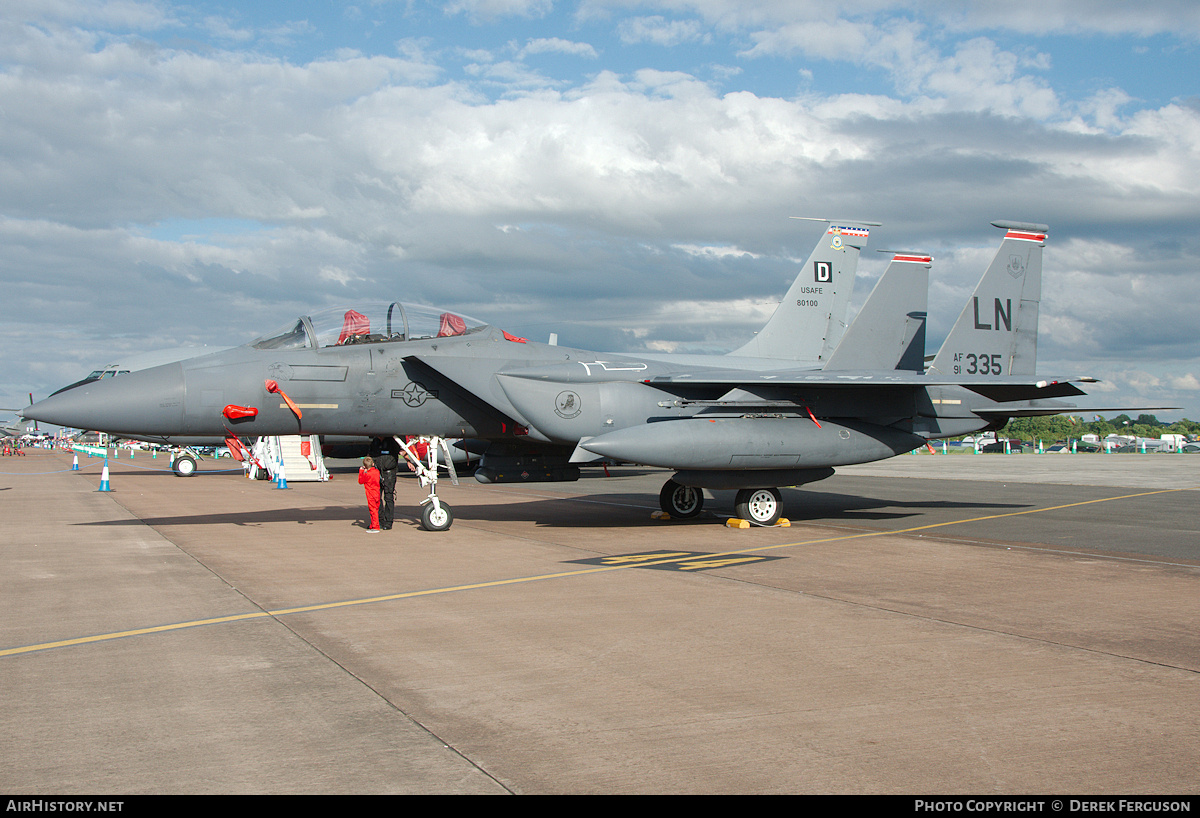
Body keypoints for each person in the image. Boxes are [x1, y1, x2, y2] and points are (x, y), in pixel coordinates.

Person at [368, 436, 400, 530]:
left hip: (389, 473)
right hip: (377, 472)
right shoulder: (375, 442)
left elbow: (401, 451)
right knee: (377, 498)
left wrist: (408, 461)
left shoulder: (391, 442)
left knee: (388, 497)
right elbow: (370, 455)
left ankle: (388, 522)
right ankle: (378, 521)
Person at [358, 456, 381, 533]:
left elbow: (360, 481)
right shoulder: (377, 472)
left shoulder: (367, 474)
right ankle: (373, 524)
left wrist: (361, 471)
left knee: (373, 510)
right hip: (377, 493)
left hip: (371, 494)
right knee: (376, 509)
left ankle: (375, 526)